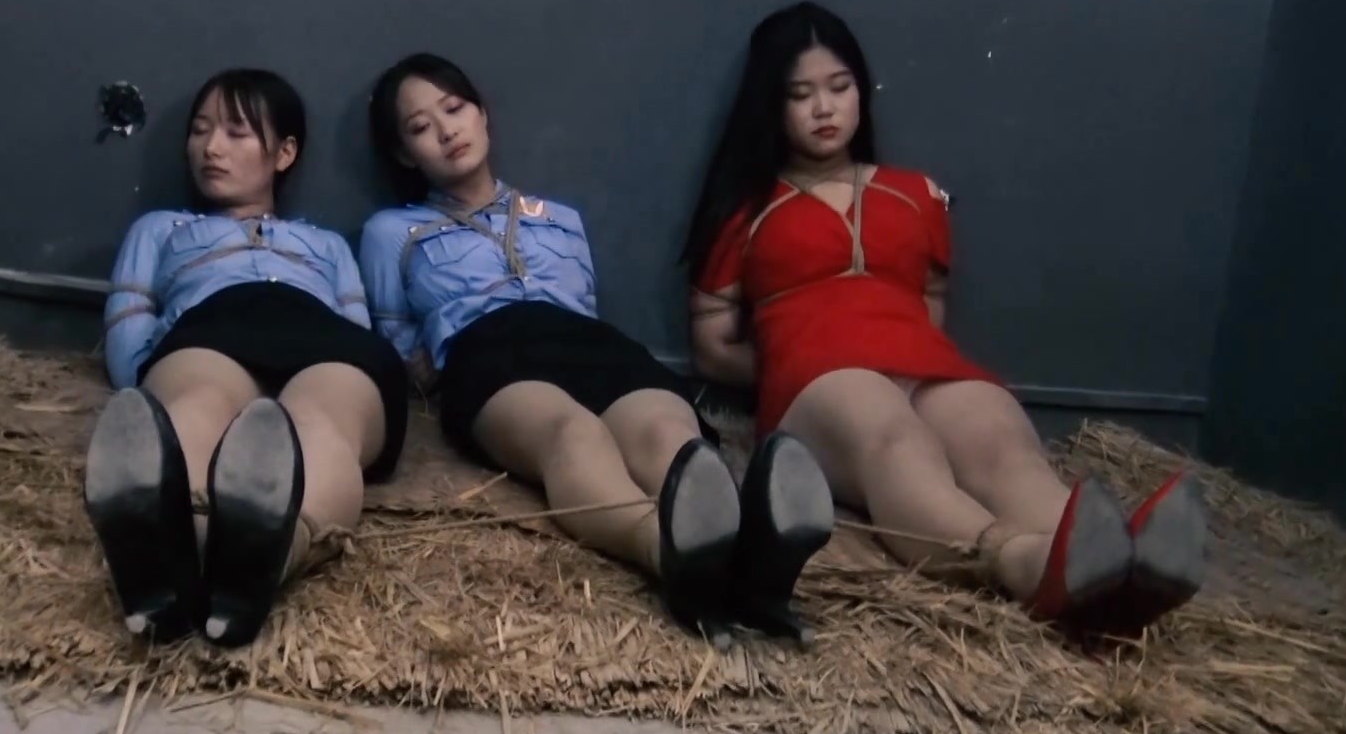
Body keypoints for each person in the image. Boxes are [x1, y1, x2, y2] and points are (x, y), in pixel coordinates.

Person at [682, 3, 1208, 632]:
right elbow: (712, 344)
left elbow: (931, 310)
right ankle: (1021, 562)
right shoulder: (744, 210)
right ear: (770, 105)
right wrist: (789, 361)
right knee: (892, 436)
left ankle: (1112, 561)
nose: (824, 108)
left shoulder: (917, 195)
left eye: (839, 87)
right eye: (800, 95)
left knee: (1001, 441)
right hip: (818, 380)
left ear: (861, 91)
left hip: (922, 362)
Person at [358, 53, 835, 647]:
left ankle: (752, 559)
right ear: (405, 153)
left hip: (588, 342)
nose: (446, 131)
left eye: (454, 109)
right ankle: (672, 555)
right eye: (420, 126)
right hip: (490, 350)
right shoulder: (389, 233)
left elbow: (582, 304)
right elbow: (399, 342)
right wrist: (431, 365)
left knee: (670, 434)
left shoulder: (560, 219)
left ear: (482, 115)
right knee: (572, 433)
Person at [84, 68, 408, 648]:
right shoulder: (160, 229)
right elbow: (129, 320)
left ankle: (260, 560)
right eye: (200, 130)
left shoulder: (328, 244)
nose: (211, 148)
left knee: (321, 423)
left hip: (326, 340)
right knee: (196, 405)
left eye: (236, 132)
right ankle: (172, 553)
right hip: (214, 326)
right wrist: (149, 382)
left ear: (284, 153)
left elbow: (357, 326)